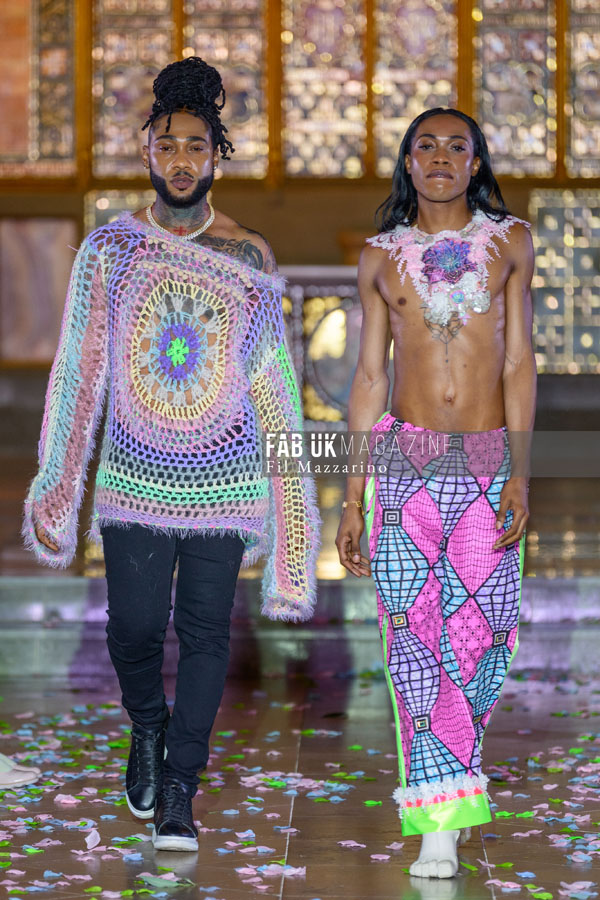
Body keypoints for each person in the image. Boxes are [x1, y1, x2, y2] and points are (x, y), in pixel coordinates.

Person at [24, 57, 320, 853]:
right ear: (147, 152)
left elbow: (273, 386)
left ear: (216, 154)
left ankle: (181, 788)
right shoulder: (110, 252)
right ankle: (148, 727)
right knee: (132, 628)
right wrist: (59, 481)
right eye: (168, 145)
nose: (182, 159)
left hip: (226, 478)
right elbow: (80, 370)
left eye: (196, 145)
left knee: (206, 633)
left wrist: (292, 518)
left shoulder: (249, 256)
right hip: (134, 475)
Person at [336, 108, 535, 879]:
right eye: (428, 146)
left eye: (458, 146)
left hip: (486, 464)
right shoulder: (380, 257)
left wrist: (521, 472)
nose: (443, 157)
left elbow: (518, 363)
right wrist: (352, 495)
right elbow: (369, 376)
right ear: (409, 162)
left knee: (481, 638)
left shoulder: (510, 244)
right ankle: (439, 824)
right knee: (414, 641)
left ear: (476, 161)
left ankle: (450, 788)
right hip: (405, 466)